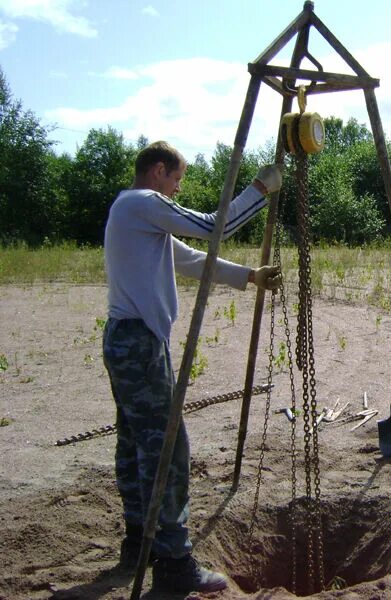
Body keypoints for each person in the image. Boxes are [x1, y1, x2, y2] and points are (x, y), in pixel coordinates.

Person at [102, 140, 283, 593]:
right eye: (177, 180)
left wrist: (248, 276)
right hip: (139, 345)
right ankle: (174, 562)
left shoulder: (133, 215)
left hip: (130, 341)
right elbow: (214, 226)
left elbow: (191, 259)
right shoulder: (144, 202)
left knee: (136, 444)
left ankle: (138, 543)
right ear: (158, 171)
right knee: (168, 448)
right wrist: (260, 188)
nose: (177, 191)